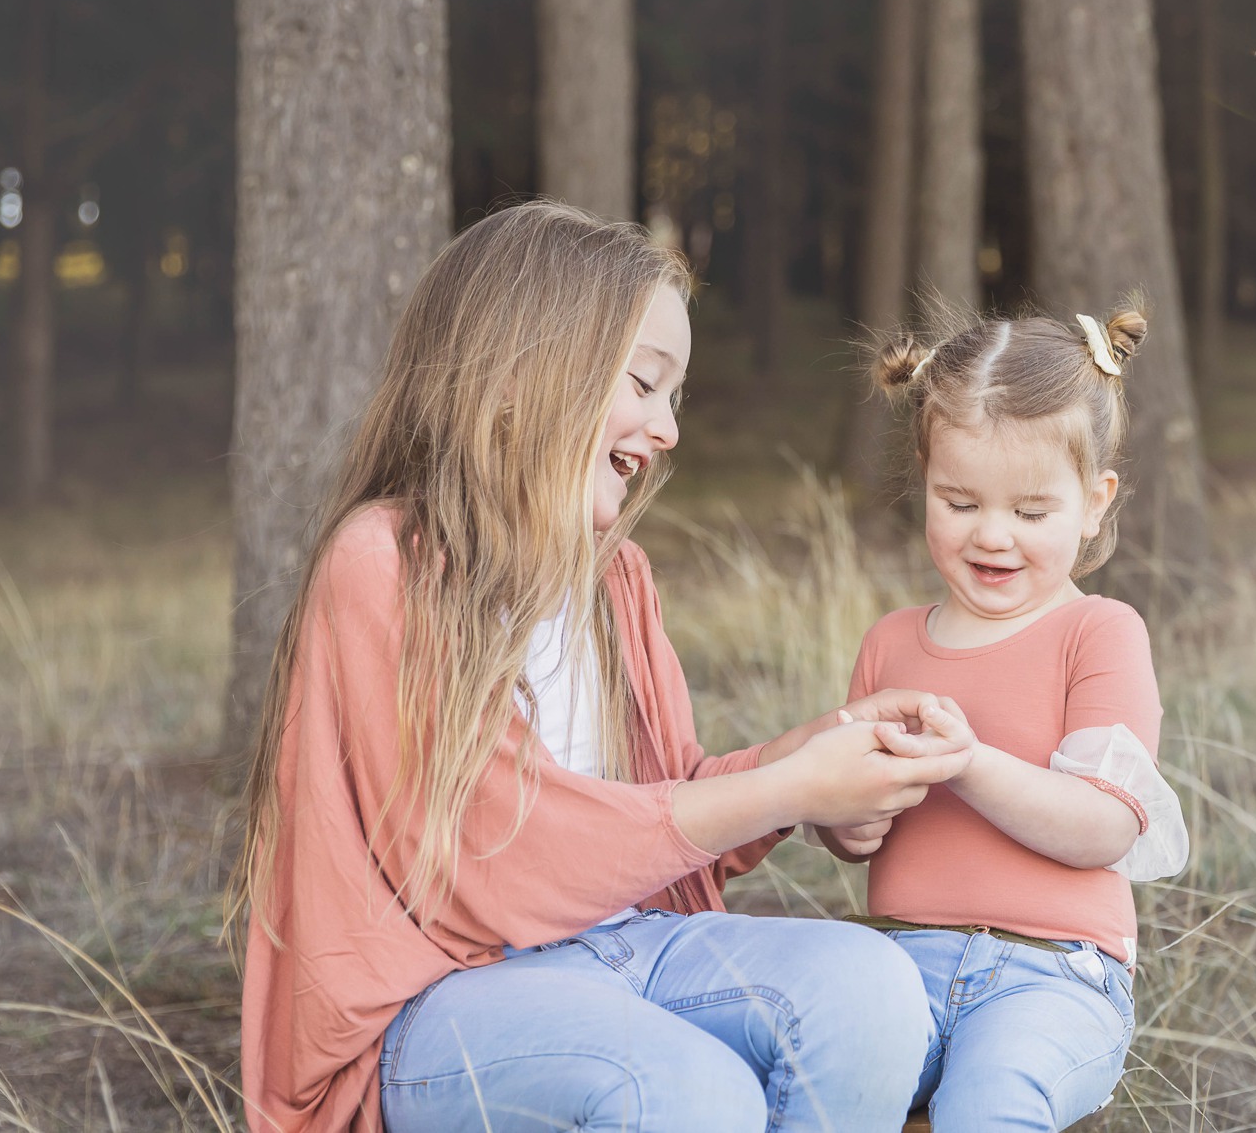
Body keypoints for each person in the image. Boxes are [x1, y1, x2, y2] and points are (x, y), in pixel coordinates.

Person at [230, 202, 970, 1133]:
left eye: (675, 398)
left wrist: (821, 762)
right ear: (519, 373)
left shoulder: (614, 579)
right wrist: (789, 787)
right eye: (644, 383)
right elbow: (497, 859)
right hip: (445, 995)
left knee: (873, 992)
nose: (665, 431)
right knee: (691, 1093)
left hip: (631, 943)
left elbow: (667, 806)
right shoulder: (385, 561)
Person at [817, 305, 1191, 1131]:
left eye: (1030, 513)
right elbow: (851, 834)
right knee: (822, 1080)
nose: (992, 537)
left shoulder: (1098, 635)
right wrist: (850, 820)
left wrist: (968, 762)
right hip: (897, 961)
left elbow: (1103, 828)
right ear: (925, 483)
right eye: (959, 502)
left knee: (990, 1100)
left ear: (1094, 503)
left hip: (1052, 974)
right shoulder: (889, 644)